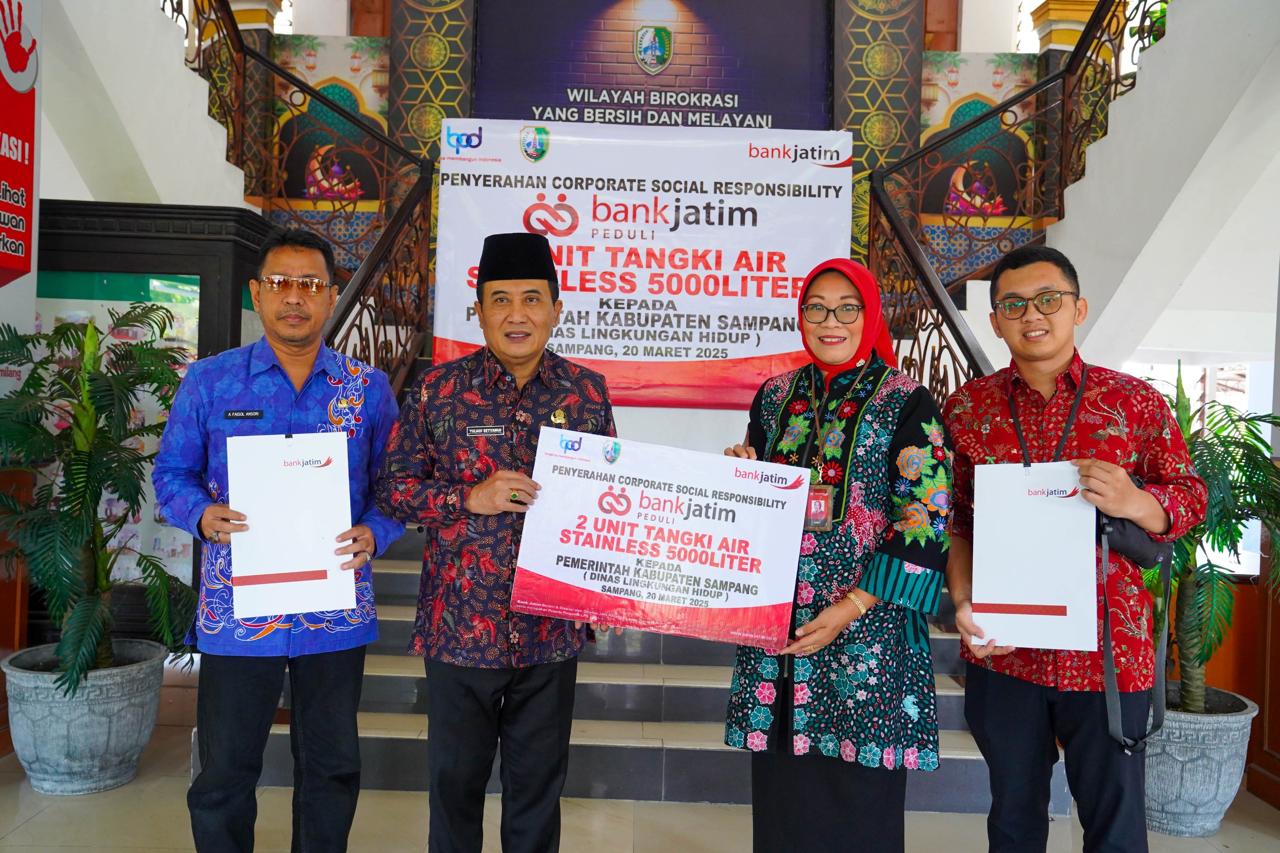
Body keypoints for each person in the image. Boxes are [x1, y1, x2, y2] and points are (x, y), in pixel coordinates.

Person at [943, 245, 1207, 853]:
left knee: (1115, 828)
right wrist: (964, 599)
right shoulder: (967, 409)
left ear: (1077, 308)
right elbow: (955, 521)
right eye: (1013, 304)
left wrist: (1135, 499)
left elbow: (1190, 497)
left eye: (1048, 299)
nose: (1032, 315)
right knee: (1013, 821)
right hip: (1005, 649)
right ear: (996, 321)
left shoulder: (1132, 401)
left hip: (1109, 652)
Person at [153, 227, 403, 852]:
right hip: (239, 610)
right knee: (225, 770)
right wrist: (202, 516)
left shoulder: (366, 388)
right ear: (256, 293)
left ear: (332, 296)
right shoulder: (210, 382)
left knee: (331, 766)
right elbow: (171, 474)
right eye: (281, 283)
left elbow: (399, 485)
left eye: (311, 285)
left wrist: (376, 531)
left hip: (333, 608)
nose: (295, 297)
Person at [376, 232, 615, 853]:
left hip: (549, 631)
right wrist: (468, 498)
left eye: (532, 299)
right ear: (478, 311)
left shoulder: (587, 393)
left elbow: (606, 501)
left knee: (537, 794)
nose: (517, 314)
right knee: (454, 791)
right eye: (500, 299)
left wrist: (602, 589)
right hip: (460, 629)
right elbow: (395, 490)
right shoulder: (438, 390)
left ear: (556, 309)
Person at [722, 258, 953, 853]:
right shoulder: (775, 397)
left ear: (869, 316)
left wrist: (850, 608)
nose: (831, 321)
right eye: (817, 308)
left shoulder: (906, 402)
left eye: (848, 308)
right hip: (782, 632)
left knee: (858, 803)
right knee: (785, 800)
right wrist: (738, 476)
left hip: (869, 634)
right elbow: (757, 502)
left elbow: (926, 518)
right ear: (801, 316)